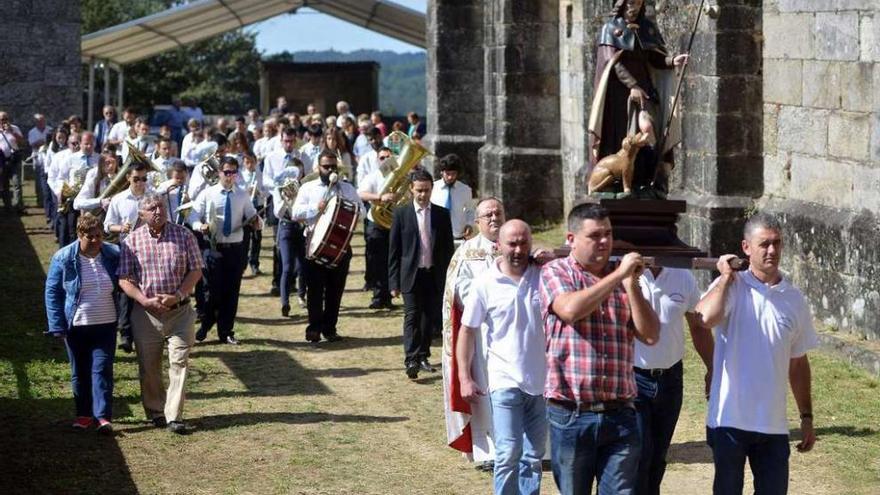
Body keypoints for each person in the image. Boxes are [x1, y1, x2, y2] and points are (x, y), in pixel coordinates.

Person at [539, 203, 660, 495]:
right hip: (572, 413)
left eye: (608, 233)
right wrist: (618, 277)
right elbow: (570, 310)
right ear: (571, 239)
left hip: (620, 413)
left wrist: (632, 285)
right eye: (594, 235)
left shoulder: (623, 280)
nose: (604, 241)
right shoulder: (556, 272)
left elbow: (651, 335)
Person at [695, 213, 817, 495]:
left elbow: (797, 362)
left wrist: (806, 416)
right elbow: (704, 319)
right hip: (729, 420)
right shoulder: (731, 286)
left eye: (777, 243)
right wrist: (725, 278)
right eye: (764, 244)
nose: (772, 251)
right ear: (746, 247)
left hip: (773, 424)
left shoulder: (794, 299)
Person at [457, 219, 547, 495]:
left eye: (523, 243)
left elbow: (574, 258)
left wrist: (552, 253)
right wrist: (464, 377)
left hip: (541, 382)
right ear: (498, 246)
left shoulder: (544, 275)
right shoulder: (485, 283)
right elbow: (468, 330)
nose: (518, 249)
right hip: (504, 380)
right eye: (512, 243)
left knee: (533, 457)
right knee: (508, 452)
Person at [118, 193, 203, 434]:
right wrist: (143, 299)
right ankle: (156, 411)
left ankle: (173, 415)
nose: (158, 211)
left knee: (179, 360)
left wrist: (177, 295)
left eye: (161, 206)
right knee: (149, 365)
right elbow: (124, 279)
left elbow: (196, 270)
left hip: (180, 312)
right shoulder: (131, 241)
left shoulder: (184, 235)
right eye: (152, 208)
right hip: (146, 314)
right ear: (141, 215)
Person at [587, 0, 687, 197]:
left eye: (639, 3)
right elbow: (614, 64)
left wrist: (671, 61)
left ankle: (649, 181)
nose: (635, 7)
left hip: (646, 91)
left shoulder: (646, 29)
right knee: (623, 139)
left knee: (649, 134)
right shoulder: (611, 29)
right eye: (631, 2)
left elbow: (654, 58)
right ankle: (621, 184)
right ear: (622, 4)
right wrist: (633, 87)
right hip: (619, 96)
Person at [633, 266, 714, 495]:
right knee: (639, 454)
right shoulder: (625, 271)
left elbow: (697, 326)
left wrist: (712, 366)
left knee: (658, 455)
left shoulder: (682, 275)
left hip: (670, 379)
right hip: (633, 378)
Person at [442, 197, 506, 468]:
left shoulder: (516, 245)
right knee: (482, 388)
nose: (494, 219)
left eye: (498, 213)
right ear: (477, 221)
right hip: (480, 334)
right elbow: (459, 291)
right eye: (487, 215)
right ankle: (487, 450)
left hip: (512, 334)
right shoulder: (467, 252)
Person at [45, 213, 120, 434]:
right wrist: (57, 324)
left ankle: (102, 417)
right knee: (80, 370)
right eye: (90, 236)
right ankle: (84, 414)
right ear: (80, 234)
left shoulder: (113, 254)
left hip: (106, 323)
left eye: (99, 235)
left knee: (102, 369)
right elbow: (53, 292)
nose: (96, 240)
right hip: (76, 325)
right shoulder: (64, 257)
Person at [388, 168, 455, 379]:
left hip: (433, 273)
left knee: (429, 318)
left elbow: (447, 249)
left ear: (432, 189)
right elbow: (394, 250)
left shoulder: (442, 215)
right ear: (411, 189)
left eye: (426, 190)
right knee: (412, 315)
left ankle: (424, 354)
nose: (423, 195)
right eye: (419, 190)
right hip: (411, 274)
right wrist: (393, 282)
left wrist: (450, 277)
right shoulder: (401, 214)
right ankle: (411, 359)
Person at [291, 150, 361, 343]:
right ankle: (314, 328)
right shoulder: (308, 188)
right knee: (314, 290)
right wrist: (316, 208)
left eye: (333, 166)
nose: (330, 170)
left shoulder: (347, 188)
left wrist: (346, 211)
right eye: (326, 166)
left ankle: (330, 328)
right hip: (315, 244)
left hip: (341, 246)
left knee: (335, 290)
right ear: (318, 167)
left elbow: (360, 211)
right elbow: (295, 213)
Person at [192, 156, 261, 345]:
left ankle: (226, 331)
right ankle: (206, 325)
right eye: (226, 172)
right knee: (212, 292)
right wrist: (199, 225)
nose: (230, 176)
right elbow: (193, 214)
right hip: (213, 249)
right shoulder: (208, 193)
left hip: (235, 250)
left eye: (233, 173)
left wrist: (256, 222)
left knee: (231, 292)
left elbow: (252, 215)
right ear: (219, 173)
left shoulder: (242, 195)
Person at [105, 161, 151, 353]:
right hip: (127, 249)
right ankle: (125, 334)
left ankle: (148, 333)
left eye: (144, 179)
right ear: (128, 178)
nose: (140, 183)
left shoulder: (152, 198)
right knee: (126, 291)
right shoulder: (119, 199)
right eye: (136, 179)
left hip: (149, 250)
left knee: (148, 289)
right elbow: (108, 225)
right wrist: (120, 228)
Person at [357, 146, 396, 309]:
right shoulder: (373, 176)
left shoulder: (398, 177)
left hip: (394, 223)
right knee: (376, 260)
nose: (385, 160)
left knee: (392, 260)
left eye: (388, 157)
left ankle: (389, 296)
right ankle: (378, 296)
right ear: (377, 160)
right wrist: (380, 197)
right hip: (377, 222)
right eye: (382, 158)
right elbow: (361, 193)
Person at [272, 156, 306, 316]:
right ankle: (285, 303)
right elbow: (277, 213)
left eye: (299, 173)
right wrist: (286, 199)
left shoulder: (305, 187)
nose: (297, 176)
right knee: (287, 267)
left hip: (302, 228)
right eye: (294, 173)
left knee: (303, 266)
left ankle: (302, 296)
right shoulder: (279, 187)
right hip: (286, 227)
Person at [430, 154, 474, 241]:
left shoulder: (465, 190)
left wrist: (469, 224)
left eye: (453, 174)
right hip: (436, 236)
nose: (450, 177)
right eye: (448, 174)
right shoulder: (432, 188)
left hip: (457, 236)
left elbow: (470, 211)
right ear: (441, 172)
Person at [239, 153, 265, 277]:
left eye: (252, 162)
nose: (250, 165)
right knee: (245, 238)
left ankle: (254, 264)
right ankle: (242, 265)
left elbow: (267, 190)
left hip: (257, 207)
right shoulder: (240, 175)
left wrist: (261, 193)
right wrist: (246, 191)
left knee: (257, 237)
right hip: (245, 209)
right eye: (247, 162)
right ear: (243, 163)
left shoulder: (260, 174)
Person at [73, 148, 119, 213]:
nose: (111, 166)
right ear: (101, 164)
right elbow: (77, 203)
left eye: (113, 162)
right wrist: (99, 202)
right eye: (108, 163)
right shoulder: (93, 176)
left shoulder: (118, 176)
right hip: (95, 218)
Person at [0, 111, 27, 213]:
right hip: (2, 161)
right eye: (2, 119)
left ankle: (18, 206)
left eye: (5, 119)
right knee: (4, 184)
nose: (4, 121)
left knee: (17, 183)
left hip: (14, 160)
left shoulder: (14, 128)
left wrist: (12, 132)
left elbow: (22, 142)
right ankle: (8, 206)